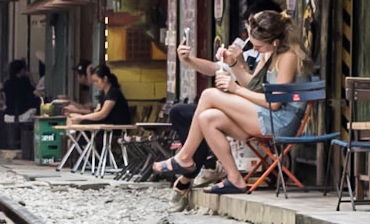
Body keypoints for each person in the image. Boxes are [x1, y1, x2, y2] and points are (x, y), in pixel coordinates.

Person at [155, 10, 305, 190]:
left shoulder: (288, 57)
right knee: (208, 118)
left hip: (281, 121)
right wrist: (234, 64)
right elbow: (253, 88)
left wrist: (235, 89)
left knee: (209, 95)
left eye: (258, 46)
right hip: (266, 116)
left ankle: (185, 157)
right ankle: (235, 178)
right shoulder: (268, 54)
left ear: (275, 42)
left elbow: (275, 102)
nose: (255, 50)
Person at [69, 63, 132, 129]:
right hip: (107, 124)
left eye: (96, 81)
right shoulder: (103, 93)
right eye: (94, 82)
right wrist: (78, 114)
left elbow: (103, 114)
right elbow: (96, 111)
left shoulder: (113, 92)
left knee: (82, 122)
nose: (95, 84)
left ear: (105, 79)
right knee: (74, 119)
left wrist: (81, 117)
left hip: (116, 126)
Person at [3, 57, 38, 122]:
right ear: (22, 70)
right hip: (23, 114)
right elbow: (34, 93)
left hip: (9, 115)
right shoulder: (25, 82)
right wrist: (30, 78)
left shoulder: (7, 83)